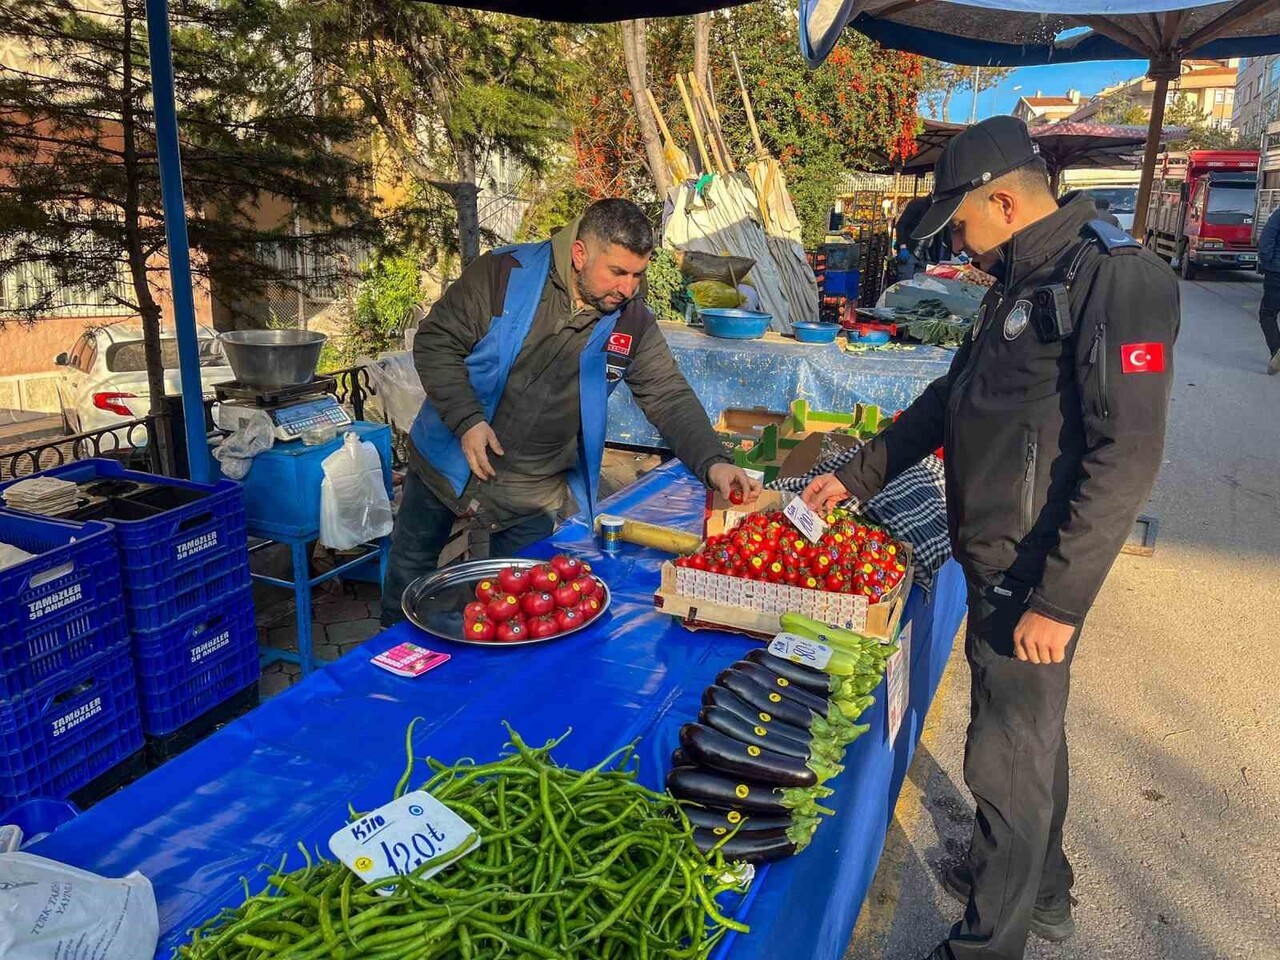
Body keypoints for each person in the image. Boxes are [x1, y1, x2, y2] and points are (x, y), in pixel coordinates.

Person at [801, 116, 1178, 960]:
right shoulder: (1021, 273)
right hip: (996, 550)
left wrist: (1059, 598)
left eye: (963, 225)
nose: (961, 247)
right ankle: (1040, 888)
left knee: (1004, 758)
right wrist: (857, 474)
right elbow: (952, 399)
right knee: (1029, 733)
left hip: (1032, 567)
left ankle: (985, 945)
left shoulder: (1113, 279)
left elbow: (1128, 456)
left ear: (1003, 202)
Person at [382, 199, 760, 625]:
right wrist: (467, 419)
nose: (628, 288)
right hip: (447, 464)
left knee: (522, 612)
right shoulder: (505, 274)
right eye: (617, 272)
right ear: (580, 254)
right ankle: (383, 680)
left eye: (638, 274)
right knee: (408, 581)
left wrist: (713, 463)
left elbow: (668, 395)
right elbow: (436, 341)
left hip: (532, 491)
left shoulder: (630, 321)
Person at [1254, 204, 1280, 374]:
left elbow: (1266, 240)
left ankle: (1277, 351)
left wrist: (1268, 263)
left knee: (1267, 313)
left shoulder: (1278, 216)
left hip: (1277, 273)